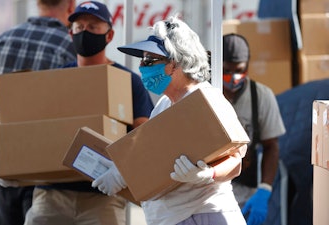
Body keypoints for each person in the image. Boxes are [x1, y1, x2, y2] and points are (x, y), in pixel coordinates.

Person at [92, 16, 248, 225]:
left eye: (149, 60)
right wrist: (120, 174)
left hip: (205, 214)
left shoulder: (207, 100)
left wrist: (207, 174)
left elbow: (235, 160)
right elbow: (152, 153)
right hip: (172, 218)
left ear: (174, 63)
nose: (142, 67)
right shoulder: (164, 105)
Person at [24, 1, 154, 225]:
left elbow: (144, 135)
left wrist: (121, 172)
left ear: (109, 35)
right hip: (52, 195)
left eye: (93, 27)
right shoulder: (55, 79)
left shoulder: (127, 82)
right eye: (79, 27)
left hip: (103, 198)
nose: (85, 33)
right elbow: (36, 131)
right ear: (70, 32)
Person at [0, 1, 77, 224]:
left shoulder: (1, 42)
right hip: (41, 168)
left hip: (0, 164)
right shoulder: (68, 48)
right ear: (71, 5)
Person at [222, 33, 286, 225]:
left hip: (245, 193)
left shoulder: (262, 97)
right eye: (226, 71)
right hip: (209, 192)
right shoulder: (205, 93)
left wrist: (264, 190)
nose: (233, 78)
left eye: (239, 70)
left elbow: (271, 146)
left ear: (248, 66)